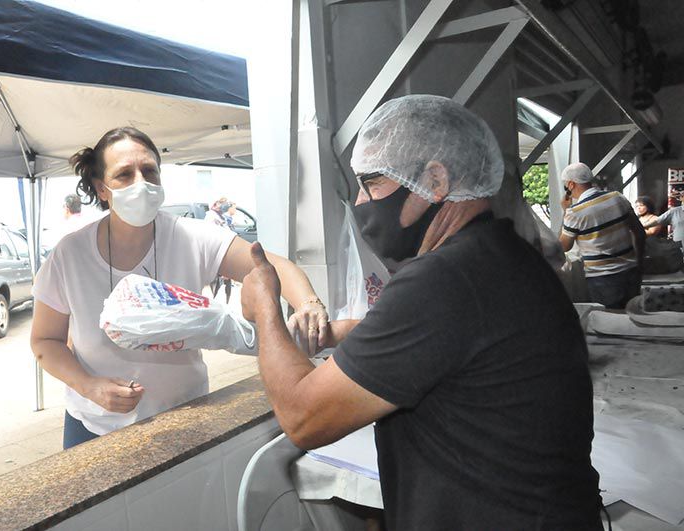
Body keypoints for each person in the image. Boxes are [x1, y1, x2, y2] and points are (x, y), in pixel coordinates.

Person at [241, 95, 603, 530]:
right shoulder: (503, 255)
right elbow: (450, 340)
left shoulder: (443, 278)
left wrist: (265, 305)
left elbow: (303, 417)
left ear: (435, 180)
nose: (360, 202)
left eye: (372, 183)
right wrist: (344, 333)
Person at [29, 127, 329, 449]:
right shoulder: (70, 255)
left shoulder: (192, 237)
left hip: (183, 416)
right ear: (102, 188)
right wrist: (89, 386)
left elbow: (270, 265)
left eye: (149, 171)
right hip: (94, 424)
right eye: (124, 175)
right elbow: (45, 341)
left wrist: (308, 303)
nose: (141, 183)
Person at [558, 162, 645, 309]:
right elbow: (640, 233)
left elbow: (564, 247)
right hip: (630, 271)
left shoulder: (575, 213)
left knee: (611, 319)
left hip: (602, 279)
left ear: (571, 184)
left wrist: (565, 211)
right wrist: (639, 264)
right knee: (634, 316)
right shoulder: (618, 197)